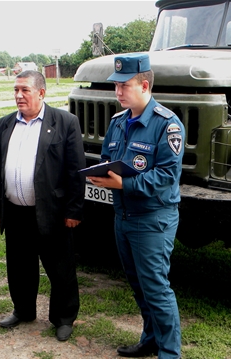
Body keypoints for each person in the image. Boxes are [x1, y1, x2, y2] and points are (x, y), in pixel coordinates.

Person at [87, 53, 184, 358]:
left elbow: (168, 175)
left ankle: (170, 353)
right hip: (124, 217)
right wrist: (100, 174)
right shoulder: (118, 122)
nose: (117, 92)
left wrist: (123, 184)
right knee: (139, 286)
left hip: (153, 218)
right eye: (115, 86)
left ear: (144, 85)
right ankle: (151, 339)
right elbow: (108, 158)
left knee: (156, 288)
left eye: (124, 86)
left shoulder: (166, 125)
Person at [0, 70, 85, 342]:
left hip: (52, 212)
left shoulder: (65, 122)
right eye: (16, 90)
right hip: (15, 210)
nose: (19, 95)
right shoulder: (5, 124)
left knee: (60, 268)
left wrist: (74, 210)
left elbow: (76, 170)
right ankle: (23, 309)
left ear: (41, 92)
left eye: (25, 90)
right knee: (19, 267)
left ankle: (64, 318)